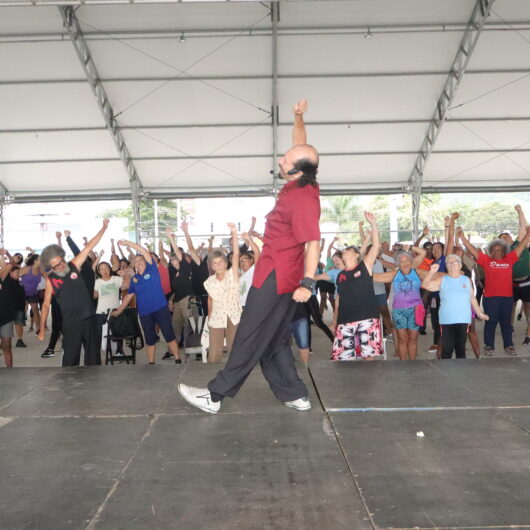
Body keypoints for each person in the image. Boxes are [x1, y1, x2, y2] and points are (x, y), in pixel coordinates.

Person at [178, 98, 320, 413]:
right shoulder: (304, 182)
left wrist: (308, 282)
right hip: (278, 273)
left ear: (297, 171)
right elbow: (302, 146)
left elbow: (314, 243)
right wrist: (297, 117)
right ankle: (293, 392)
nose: (282, 159)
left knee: (249, 333)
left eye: (286, 160)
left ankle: (215, 396)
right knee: (272, 338)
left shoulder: (303, 201)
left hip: (277, 277)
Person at [38, 220, 110, 366]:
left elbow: (89, 246)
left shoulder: (74, 265)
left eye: (61, 262)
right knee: (70, 361)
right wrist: (41, 328)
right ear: (50, 267)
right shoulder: (51, 280)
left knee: (93, 360)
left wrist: (104, 228)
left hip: (89, 319)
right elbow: (45, 306)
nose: (60, 266)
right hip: (71, 324)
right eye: (56, 266)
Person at [458, 224, 530, 355]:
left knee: (506, 324)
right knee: (490, 322)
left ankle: (508, 345)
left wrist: (528, 234)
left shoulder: (509, 259)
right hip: (490, 298)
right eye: (494, 250)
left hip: (507, 298)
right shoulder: (486, 260)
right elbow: (473, 251)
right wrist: (462, 238)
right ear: (491, 251)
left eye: (499, 250)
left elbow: (520, 247)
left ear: (504, 252)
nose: (497, 252)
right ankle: (489, 346)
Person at [111, 240, 181, 364]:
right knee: (149, 339)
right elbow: (128, 296)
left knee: (169, 334)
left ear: (145, 261)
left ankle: (177, 359)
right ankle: (151, 363)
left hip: (160, 308)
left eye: (141, 260)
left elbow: (143, 251)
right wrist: (119, 311)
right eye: (136, 262)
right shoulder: (134, 279)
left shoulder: (152, 269)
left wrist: (128, 243)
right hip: (145, 313)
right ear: (134, 265)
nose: (139, 263)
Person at [330, 212, 383, 361]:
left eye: (348, 250)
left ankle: (372, 384)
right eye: (344, 251)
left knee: (368, 356)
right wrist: (335, 321)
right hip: (345, 319)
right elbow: (338, 300)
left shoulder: (364, 267)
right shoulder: (340, 275)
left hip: (367, 318)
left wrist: (373, 224)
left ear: (355, 255)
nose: (345, 251)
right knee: (342, 358)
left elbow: (375, 247)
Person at [373, 247, 442, 360]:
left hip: (415, 309)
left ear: (411, 262)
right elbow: (374, 277)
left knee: (413, 338)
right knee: (402, 339)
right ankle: (403, 364)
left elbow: (436, 275)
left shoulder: (417, 272)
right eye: (402, 261)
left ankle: (412, 364)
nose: (405, 263)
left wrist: (456, 273)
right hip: (399, 311)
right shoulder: (394, 274)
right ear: (398, 264)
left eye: (407, 260)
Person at [422, 257, 488, 359]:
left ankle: (461, 373)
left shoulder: (466, 280)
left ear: (460, 265)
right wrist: (431, 272)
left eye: (456, 262)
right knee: (447, 349)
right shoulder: (442, 280)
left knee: (460, 349)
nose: (453, 264)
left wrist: (480, 313)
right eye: (449, 263)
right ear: (446, 266)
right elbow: (425, 285)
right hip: (447, 320)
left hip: (463, 319)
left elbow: (472, 299)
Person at [203, 223, 242, 363]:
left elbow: (236, 254)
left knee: (234, 349)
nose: (218, 265)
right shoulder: (208, 282)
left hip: (234, 315)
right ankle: (211, 378)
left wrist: (234, 233)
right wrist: (209, 319)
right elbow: (210, 301)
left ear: (226, 263)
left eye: (221, 262)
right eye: (215, 263)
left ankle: (234, 378)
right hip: (216, 317)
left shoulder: (233, 275)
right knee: (215, 351)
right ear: (211, 266)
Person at [499, 205, 530, 345]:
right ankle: (509, 327)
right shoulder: (501, 254)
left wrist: (520, 211)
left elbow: (523, 227)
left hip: (526, 281)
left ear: (511, 238)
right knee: (510, 306)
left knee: (528, 306)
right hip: (511, 284)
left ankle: (529, 330)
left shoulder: (519, 244)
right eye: (501, 238)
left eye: (506, 236)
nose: (504, 238)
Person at [94, 261, 124, 355]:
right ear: (99, 272)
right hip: (100, 311)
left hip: (115, 310)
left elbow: (126, 286)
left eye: (106, 268)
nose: (104, 271)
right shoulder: (97, 282)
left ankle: (119, 351)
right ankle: (97, 353)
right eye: (102, 269)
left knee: (118, 332)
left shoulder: (116, 279)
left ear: (110, 268)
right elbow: (95, 296)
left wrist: (125, 276)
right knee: (99, 333)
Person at [20, 253, 42, 334]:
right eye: (40, 259)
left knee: (35, 310)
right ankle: (20, 324)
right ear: (35, 260)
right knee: (22, 311)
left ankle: (38, 329)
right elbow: (15, 276)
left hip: (33, 293)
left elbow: (48, 277)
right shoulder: (27, 269)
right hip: (22, 293)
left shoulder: (40, 269)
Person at [0, 250, 15, 367]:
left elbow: (12, 263)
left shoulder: (1, 275)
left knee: (7, 346)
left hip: (5, 316)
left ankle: (10, 371)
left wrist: (6, 254)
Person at [239, 231, 261, 309]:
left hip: (251, 305)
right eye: (240, 261)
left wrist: (248, 239)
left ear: (251, 260)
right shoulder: (241, 273)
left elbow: (257, 252)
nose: (241, 263)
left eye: (244, 260)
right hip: (241, 305)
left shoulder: (254, 269)